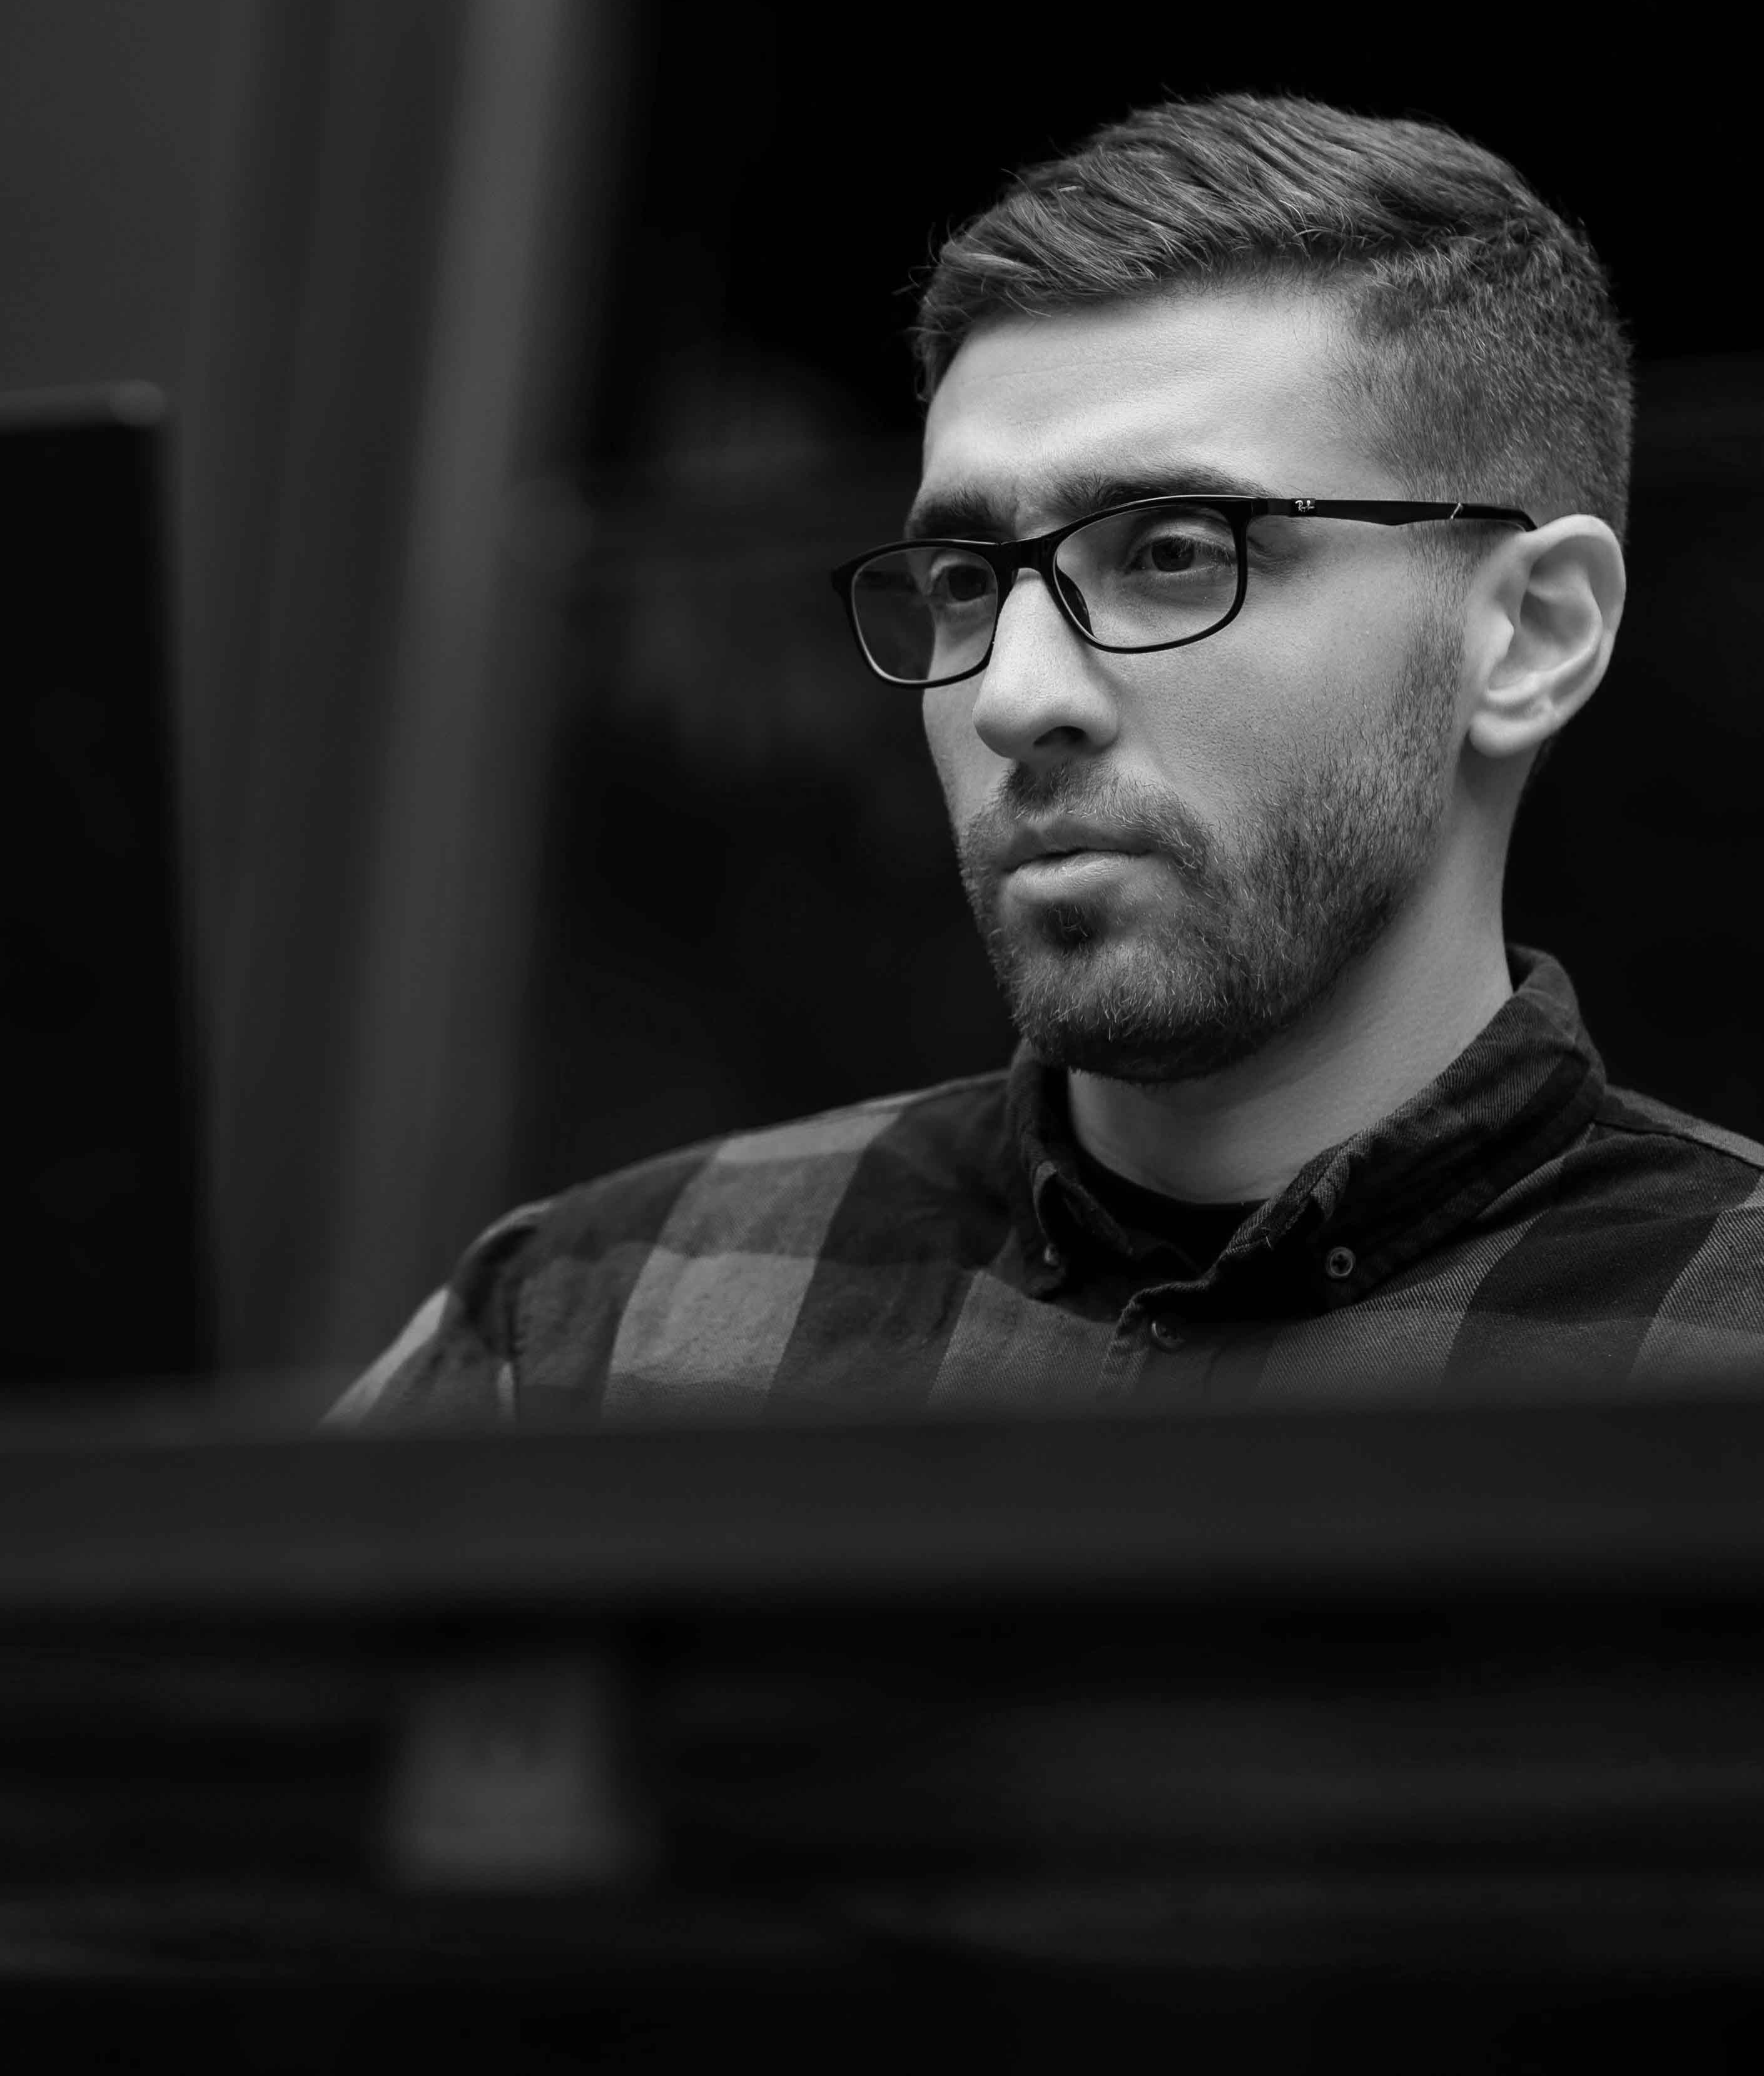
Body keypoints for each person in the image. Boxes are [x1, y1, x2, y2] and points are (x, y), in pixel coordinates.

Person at [328, 93, 1761, 1431]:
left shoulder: (1717, 1346)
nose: (1013, 693)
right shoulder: (590, 1333)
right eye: (965, 576)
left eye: (1172, 555)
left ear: (1526, 635)